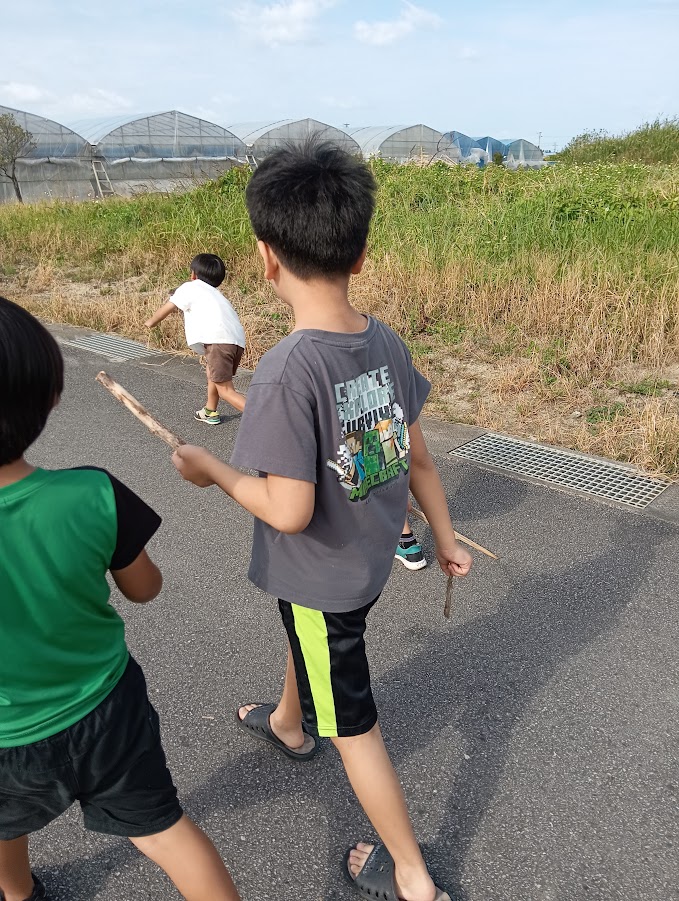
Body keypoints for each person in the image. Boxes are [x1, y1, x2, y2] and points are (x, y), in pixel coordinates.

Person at [172, 140, 472, 901]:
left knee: (354, 727)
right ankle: (286, 720)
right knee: (304, 634)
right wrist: (442, 537)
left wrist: (211, 470)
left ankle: (412, 875)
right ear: (361, 254)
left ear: (265, 257)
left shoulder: (286, 370)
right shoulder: (384, 341)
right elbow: (420, 458)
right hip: (364, 562)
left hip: (324, 577)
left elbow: (288, 508)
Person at [0, 297, 240, 901]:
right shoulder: (93, 492)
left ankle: (18, 893)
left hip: (6, 735)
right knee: (164, 831)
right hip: (107, 706)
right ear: (51, 399)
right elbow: (144, 588)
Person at [145, 253, 246, 423]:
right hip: (236, 342)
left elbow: (168, 308)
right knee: (212, 373)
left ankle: (267, 421)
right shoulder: (217, 295)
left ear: (193, 274)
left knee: (226, 391)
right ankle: (210, 410)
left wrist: (150, 322)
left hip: (218, 341)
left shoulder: (190, 287)